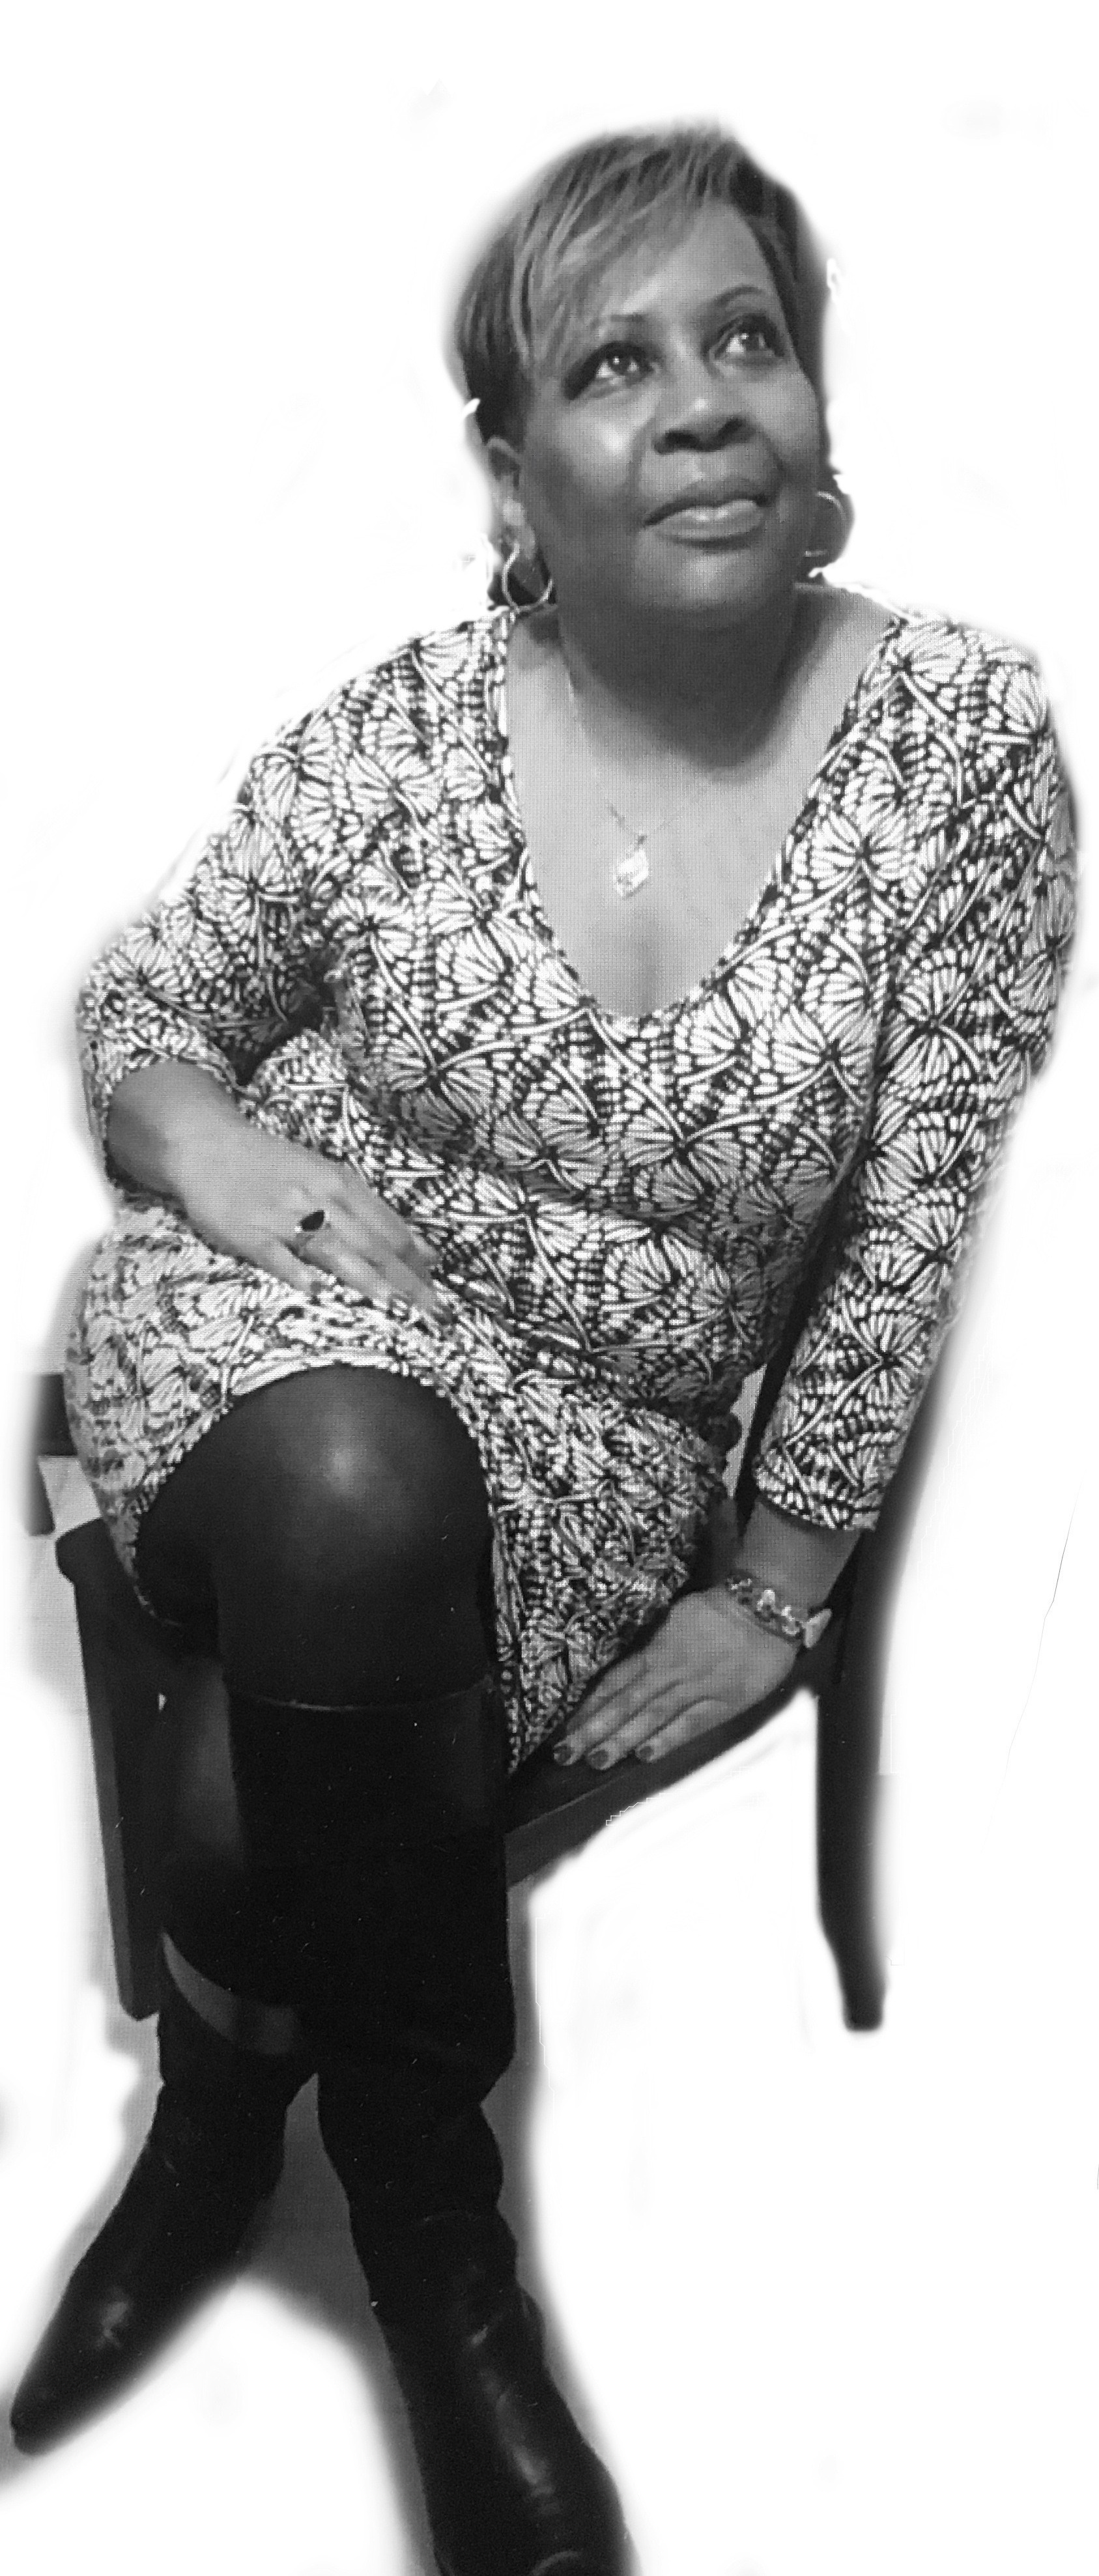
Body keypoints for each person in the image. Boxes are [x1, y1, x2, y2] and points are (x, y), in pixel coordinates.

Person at [10, 122, 1075, 2574]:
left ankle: (213, 2116)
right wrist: (227, 1158)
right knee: (347, 1478)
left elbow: (911, 1219)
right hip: (265, 1328)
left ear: (813, 408)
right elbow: (156, 1005)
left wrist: (778, 1583)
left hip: (599, 1444)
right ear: (514, 474)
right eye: (614, 365)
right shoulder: (399, 734)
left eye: (746, 338)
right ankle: (435, 2238)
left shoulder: (957, 764)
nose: (702, 399)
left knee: (239, 1812)